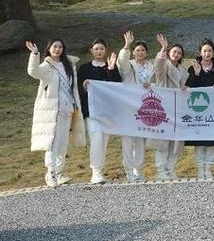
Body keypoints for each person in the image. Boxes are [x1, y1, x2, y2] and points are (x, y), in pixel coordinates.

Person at [27, 39, 86, 187]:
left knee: (63, 142)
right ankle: (51, 172)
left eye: (60, 47)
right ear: (49, 49)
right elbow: (33, 72)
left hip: (68, 110)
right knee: (53, 142)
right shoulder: (47, 66)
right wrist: (34, 54)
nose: (57, 49)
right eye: (55, 46)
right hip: (53, 111)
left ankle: (59, 172)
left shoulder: (69, 65)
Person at [77, 38, 121, 184]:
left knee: (103, 141)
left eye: (101, 48)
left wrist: (111, 69)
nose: (99, 51)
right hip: (91, 111)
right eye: (96, 49)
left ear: (105, 50)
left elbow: (117, 86)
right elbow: (79, 90)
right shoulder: (84, 68)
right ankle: (95, 171)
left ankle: (100, 171)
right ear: (92, 50)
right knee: (95, 140)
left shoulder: (111, 67)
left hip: (107, 111)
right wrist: (85, 87)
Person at [117, 30, 155, 182]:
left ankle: (138, 171)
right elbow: (121, 63)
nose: (140, 52)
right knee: (128, 141)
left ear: (146, 52)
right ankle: (128, 172)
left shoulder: (151, 66)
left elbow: (156, 83)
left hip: (145, 107)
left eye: (143, 50)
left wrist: (151, 85)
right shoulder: (128, 65)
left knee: (140, 140)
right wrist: (126, 46)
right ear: (133, 52)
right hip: (128, 106)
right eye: (137, 50)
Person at [186, 38, 214, 179]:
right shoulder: (193, 67)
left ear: (213, 52)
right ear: (200, 52)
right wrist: (196, 75)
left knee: (212, 141)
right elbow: (189, 87)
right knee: (199, 140)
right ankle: (200, 168)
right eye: (204, 51)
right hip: (198, 109)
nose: (207, 53)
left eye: (209, 51)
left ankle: (209, 168)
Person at [150, 35, 187, 180]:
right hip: (165, 106)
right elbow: (158, 67)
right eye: (174, 52)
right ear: (169, 53)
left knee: (176, 142)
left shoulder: (183, 70)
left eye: (179, 53)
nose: (176, 54)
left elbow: (183, 85)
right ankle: (161, 170)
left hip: (178, 108)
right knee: (162, 141)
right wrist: (163, 50)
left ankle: (171, 169)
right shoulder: (164, 66)